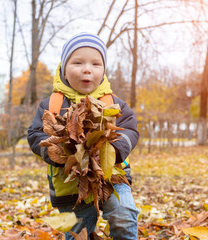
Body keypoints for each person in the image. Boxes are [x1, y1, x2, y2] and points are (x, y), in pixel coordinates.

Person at [27, 32, 140, 240]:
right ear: (64, 68)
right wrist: (58, 152)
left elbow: (131, 130)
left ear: (104, 70)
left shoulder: (113, 103)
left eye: (96, 64)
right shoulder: (51, 105)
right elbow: (35, 134)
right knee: (78, 233)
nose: (87, 69)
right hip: (68, 185)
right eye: (78, 62)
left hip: (111, 177)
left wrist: (114, 151)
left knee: (124, 214)